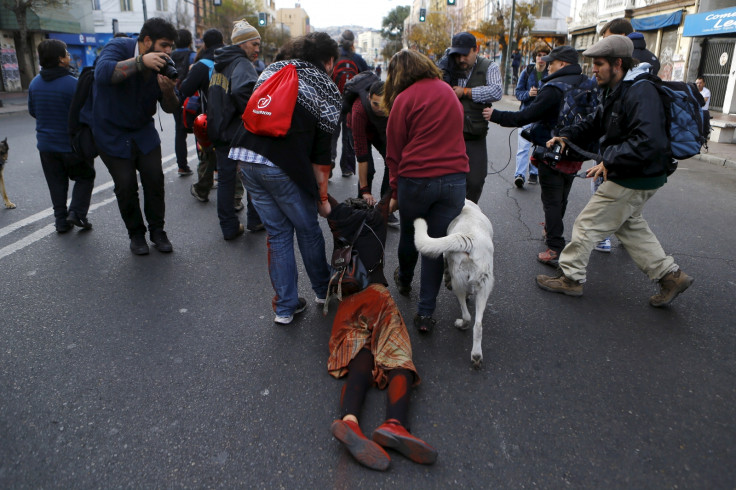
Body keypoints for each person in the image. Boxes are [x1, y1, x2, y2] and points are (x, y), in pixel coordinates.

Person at [536, 35, 695, 308]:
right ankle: (670, 276)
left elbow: (649, 141)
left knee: (587, 223)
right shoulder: (618, 89)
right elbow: (596, 122)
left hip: (633, 175)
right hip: (640, 173)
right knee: (630, 226)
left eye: (598, 64)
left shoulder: (639, 91)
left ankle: (571, 278)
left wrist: (609, 160)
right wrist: (565, 136)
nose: (593, 70)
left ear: (617, 63)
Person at [229, 32, 341, 324]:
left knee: (277, 234)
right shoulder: (327, 88)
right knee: (308, 230)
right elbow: (321, 156)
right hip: (282, 166)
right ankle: (322, 290)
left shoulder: (270, 70)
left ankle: (285, 307)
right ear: (329, 60)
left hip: (246, 157)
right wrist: (323, 198)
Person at [326, 196, 437, 471]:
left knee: (360, 352)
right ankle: (395, 423)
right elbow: (395, 192)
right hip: (378, 297)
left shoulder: (337, 220)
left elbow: (321, 196)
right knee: (397, 353)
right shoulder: (378, 218)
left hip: (347, 304)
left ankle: (350, 420)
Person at [385, 49, 469, 333]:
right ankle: (425, 313)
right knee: (435, 245)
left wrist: (395, 191)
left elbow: (394, 153)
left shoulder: (404, 99)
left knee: (411, 233)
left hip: (417, 179)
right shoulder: (447, 92)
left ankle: (405, 279)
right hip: (454, 179)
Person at [80, 17, 179, 255]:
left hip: (143, 131)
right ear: (147, 41)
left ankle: (157, 231)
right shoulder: (119, 47)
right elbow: (102, 74)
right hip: (111, 132)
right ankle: (136, 234)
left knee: (155, 179)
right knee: (125, 186)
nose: (168, 52)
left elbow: (170, 107)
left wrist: (168, 92)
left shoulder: (166, 64)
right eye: (164, 45)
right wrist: (140, 61)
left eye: (171, 47)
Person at [484, 46, 588, 267]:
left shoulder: (553, 88)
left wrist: (496, 115)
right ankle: (552, 231)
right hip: (575, 151)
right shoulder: (586, 82)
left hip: (551, 150)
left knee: (551, 200)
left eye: (552, 62)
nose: (548, 65)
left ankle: (555, 246)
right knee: (562, 197)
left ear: (563, 64)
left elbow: (526, 116)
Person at [28, 39, 95, 233]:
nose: (68, 57)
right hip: (71, 145)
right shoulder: (73, 85)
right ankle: (76, 212)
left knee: (56, 184)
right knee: (85, 176)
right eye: (66, 54)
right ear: (60, 60)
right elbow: (85, 113)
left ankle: (60, 221)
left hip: (46, 146)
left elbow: (33, 111)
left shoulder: (34, 83)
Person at [206, 19, 263, 239]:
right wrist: (255, 118)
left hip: (220, 131)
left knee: (226, 181)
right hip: (239, 131)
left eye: (259, 45)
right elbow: (243, 92)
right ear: (241, 44)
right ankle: (256, 220)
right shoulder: (242, 64)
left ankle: (229, 227)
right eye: (254, 44)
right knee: (253, 177)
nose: (257, 49)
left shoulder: (220, 63)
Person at [443, 32, 502, 203]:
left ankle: (468, 211)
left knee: (476, 180)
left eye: (465, 54)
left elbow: (496, 91)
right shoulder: (448, 66)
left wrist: (467, 92)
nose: (461, 59)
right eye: (457, 55)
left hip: (475, 135)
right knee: (448, 180)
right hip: (450, 135)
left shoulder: (489, 67)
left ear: (476, 49)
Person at [179, 28, 223, 206]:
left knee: (207, 153)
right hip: (232, 118)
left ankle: (203, 189)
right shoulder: (233, 59)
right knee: (230, 156)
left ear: (204, 44)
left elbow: (186, 90)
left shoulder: (202, 64)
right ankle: (236, 198)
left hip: (209, 118)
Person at [349, 80, 398, 227]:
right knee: (368, 169)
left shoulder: (396, 105)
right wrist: (365, 190)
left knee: (391, 162)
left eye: (383, 105)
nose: (380, 109)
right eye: (375, 104)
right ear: (369, 97)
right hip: (361, 130)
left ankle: (385, 207)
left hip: (380, 132)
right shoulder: (359, 109)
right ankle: (361, 207)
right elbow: (361, 155)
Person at [331, 29, 369, 178]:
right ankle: (347, 167)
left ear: (340, 41)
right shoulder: (358, 59)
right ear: (353, 43)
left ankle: (329, 159)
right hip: (351, 103)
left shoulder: (333, 57)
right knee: (348, 135)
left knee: (332, 134)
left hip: (334, 102)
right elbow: (367, 77)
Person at [513, 45, 549, 188]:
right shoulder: (527, 71)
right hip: (527, 114)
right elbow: (518, 92)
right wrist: (528, 94)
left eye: (544, 55)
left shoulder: (551, 72)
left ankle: (534, 172)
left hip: (543, 117)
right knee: (523, 146)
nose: (541, 58)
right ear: (535, 57)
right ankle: (519, 175)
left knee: (539, 146)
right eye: (539, 55)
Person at [171, 28, 196, 176]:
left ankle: (182, 166)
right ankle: (206, 169)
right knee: (200, 132)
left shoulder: (169, 56)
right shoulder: (193, 56)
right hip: (192, 100)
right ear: (190, 41)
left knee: (179, 132)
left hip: (175, 99)